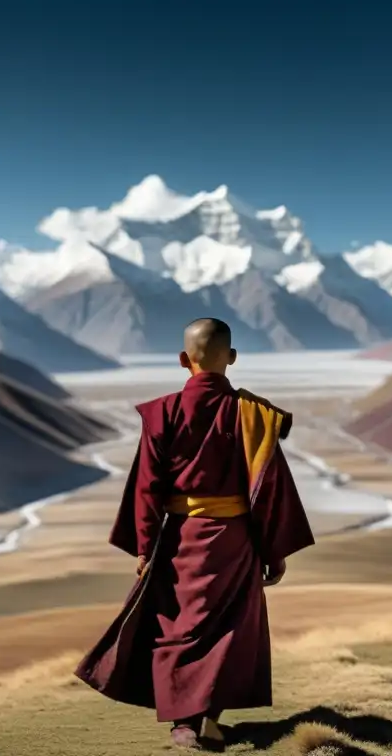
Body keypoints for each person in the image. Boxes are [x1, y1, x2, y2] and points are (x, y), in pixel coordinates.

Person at [75, 317, 315, 751]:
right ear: (233, 358)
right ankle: (206, 717)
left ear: (184, 360)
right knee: (227, 629)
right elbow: (270, 485)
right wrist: (273, 550)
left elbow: (148, 486)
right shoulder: (251, 415)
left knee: (178, 627)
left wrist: (146, 547)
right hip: (236, 540)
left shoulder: (163, 412)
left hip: (178, 540)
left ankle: (186, 723)